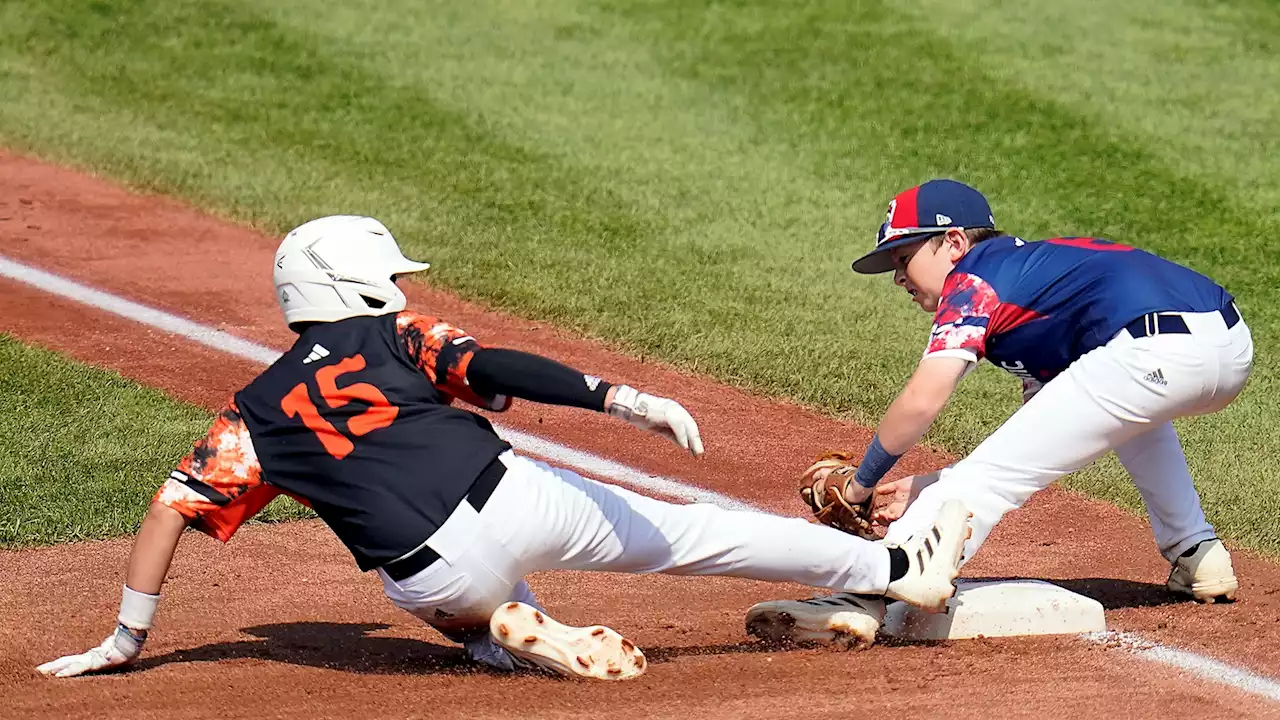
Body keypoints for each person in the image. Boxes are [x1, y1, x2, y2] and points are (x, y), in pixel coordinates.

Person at [37, 215, 972, 681]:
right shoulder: (395, 337)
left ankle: (503, 638)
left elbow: (169, 509)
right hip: (515, 500)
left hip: (430, 577)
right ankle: (891, 566)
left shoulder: (251, 415)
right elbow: (494, 363)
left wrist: (126, 638)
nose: (402, 286)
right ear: (357, 279)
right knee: (695, 537)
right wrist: (623, 398)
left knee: (460, 610)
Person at [746, 179, 1252, 647]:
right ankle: (1197, 553)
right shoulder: (1035, 281)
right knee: (1132, 418)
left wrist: (862, 483)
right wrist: (925, 483)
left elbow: (924, 399)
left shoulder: (974, 279)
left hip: (1152, 352)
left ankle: (866, 594)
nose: (898, 276)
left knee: (986, 483)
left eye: (904, 256)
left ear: (954, 243)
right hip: (1227, 346)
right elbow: (1048, 436)